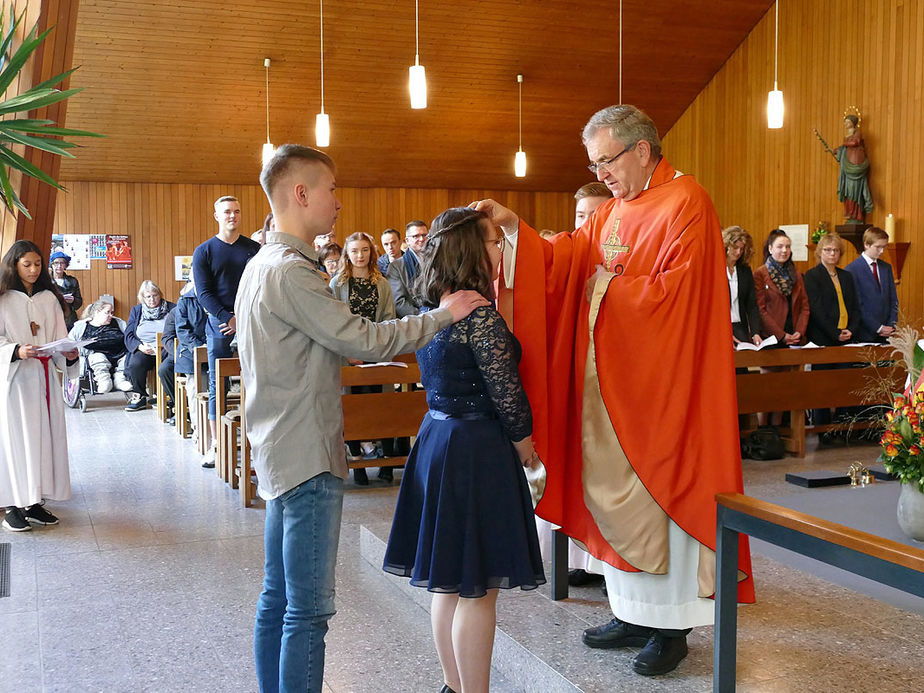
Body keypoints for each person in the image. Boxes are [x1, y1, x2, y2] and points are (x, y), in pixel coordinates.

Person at [474, 104, 754, 677]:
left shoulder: (687, 203)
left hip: (665, 389)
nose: (601, 173)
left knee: (660, 495)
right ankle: (630, 612)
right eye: (595, 163)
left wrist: (602, 285)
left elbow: (678, 298)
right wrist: (511, 227)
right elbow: (565, 260)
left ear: (643, 150)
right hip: (608, 386)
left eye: (607, 161)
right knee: (609, 495)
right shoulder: (613, 212)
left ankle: (670, 627)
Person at [234, 143, 488, 693]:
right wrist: (442, 316)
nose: (339, 201)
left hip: (277, 446)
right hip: (304, 453)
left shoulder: (259, 265)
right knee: (307, 610)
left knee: (277, 597)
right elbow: (361, 340)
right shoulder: (289, 272)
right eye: (331, 189)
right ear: (300, 194)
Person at [383, 207, 545, 693]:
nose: (500, 251)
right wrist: (528, 450)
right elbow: (507, 394)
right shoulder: (480, 317)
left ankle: (454, 686)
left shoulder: (438, 309)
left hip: (436, 438)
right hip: (476, 447)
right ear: (473, 252)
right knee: (479, 588)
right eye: (494, 243)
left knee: (449, 579)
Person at [0, 241, 79, 532]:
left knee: (43, 440)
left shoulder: (48, 298)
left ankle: (34, 502)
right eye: (26, 265)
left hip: (44, 379)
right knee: (18, 442)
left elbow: (60, 337)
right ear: (14, 265)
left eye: (37, 264)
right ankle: (12, 506)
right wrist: (16, 350)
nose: (33, 270)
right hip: (15, 381)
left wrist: (68, 353)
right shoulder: (3, 297)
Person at [192, 195, 261, 467]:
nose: (232, 216)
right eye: (227, 212)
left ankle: (255, 444)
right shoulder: (205, 251)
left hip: (250, 323)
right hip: (219, 324)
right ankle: (215, 444)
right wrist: (226, 317)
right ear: (217, 216)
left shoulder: (254, 249)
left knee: (255, 382)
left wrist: (242, 318)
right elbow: (204, 292)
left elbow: (259, 287)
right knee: (216, 384)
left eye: (237, 211)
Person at [329, 231, 397, 485]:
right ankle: (356, 462)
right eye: (355, 251)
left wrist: (377, 350)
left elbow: (389, 318)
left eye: (365, 250)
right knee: (353, 410)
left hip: (377, 353)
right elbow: (333, 323)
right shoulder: (337, 283)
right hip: (348, 356)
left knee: (382, 406)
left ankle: (387, 462)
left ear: (371, 253)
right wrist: (349, 352)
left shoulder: (382, 283)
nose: (360, 255)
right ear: (347, 254)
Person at [123, 280, 175, 412]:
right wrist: (140, 347)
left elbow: (178, 330)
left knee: (167, 366)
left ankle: (168, 396)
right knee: (136, 363)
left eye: (155, 295)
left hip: (166, 348)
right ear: (142, 298)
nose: (152, 299)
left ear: (160, 294)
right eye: (148, 296)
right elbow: (129, 335)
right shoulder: (137, 310)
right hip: (145, 348)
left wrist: (165, 346)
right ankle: (139, 396)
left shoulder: (172, 308)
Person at [753, 229, 810, 346]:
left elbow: (804, 307)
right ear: (770, 249)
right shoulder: (760, 274)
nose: (784, 250)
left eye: (788, 247)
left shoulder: (796, 274)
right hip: (772, 337)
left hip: (795, 336)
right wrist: (781, 335)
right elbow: (760, 310)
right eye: (780, 246)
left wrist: (799, 331)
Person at [845, 226, 898, 343]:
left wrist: (891, 325)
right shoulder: (852, 269)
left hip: (887, 334)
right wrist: (878, 328)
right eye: (878, 247)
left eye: (884, 247)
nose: (882, 251)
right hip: (864, 334)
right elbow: (857, 305)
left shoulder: (886, 267)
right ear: (867, 245)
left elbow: (893, 299)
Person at [68, 299, 133, 394]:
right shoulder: (81, 327)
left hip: (120, 353)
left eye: (112, 312)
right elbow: (71, 343)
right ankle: (104, 381)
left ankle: (120, 380)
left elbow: (129, 338)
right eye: (107, 312)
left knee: (128, 358)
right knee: (98, 358)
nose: (111, 315)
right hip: (95, 355)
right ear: (97, 312)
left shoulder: (119, 323)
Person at [174, 271, 208, 436]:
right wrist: (201, 347)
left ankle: (218, 427)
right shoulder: (184, 301)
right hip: (191, 353)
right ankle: (199, 428)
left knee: (222, 388)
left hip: (217, 349)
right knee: (196, 388)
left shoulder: (216, 296)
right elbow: (182, 331)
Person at [723, 226, 763, 347]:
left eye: (742, 249)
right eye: (735, 248)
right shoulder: (714, 269)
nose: (738, 252)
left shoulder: (744, 271)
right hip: (720, 326)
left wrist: (755, 332)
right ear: (725, 246)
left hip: (740, 326)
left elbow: (751, 304)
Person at [387, 220, 429, 317]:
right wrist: (424, 318)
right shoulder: (396, 267)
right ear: (407, 241)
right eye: (416, 236)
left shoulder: (437, 260)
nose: (421, 239)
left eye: (424, 235)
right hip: (416, 320)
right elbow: (398, 302)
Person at [48, 251, 82, 329]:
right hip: (52, 318)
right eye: (56, 263)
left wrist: (73, 300)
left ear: (65, 265)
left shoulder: (72, 281)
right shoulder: (47, 281)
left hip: (69, 319)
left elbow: (79, 303)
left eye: (62, 263)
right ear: (51, 265)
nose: (59, 266)